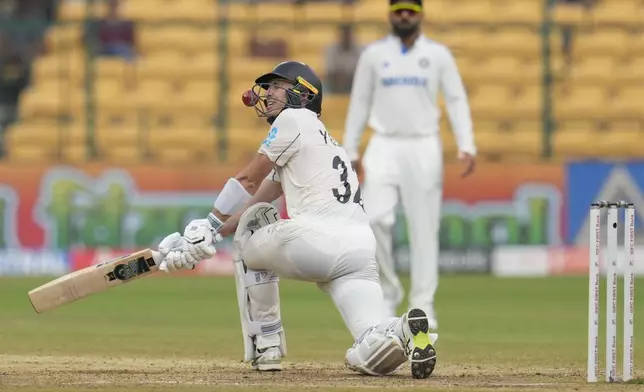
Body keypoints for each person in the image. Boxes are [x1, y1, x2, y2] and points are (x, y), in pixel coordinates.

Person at [154, 61, 438, 379]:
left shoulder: (293, 119)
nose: (269, 92)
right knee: (368, 346)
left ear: (303, 95)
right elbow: (260, 194)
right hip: (359, 250)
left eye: (278, 85)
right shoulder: (326, 141)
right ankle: (404, 330)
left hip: (315, 240)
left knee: (254, 227)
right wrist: (214, 232)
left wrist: (206, 225)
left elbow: (248, 179)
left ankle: (267, 344)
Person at [341, 0, 477, 328]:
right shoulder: (374, 55)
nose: (404, 16)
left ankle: (423, 306)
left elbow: (456, 98)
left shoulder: (438, 55)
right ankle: (387, 295)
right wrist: (351, 150)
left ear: (420, 15)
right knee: (375, 220)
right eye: (399, 11)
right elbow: (359, 101)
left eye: (411, 11)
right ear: (390, 14)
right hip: (383, 143)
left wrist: (466, 143)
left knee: (424, 227)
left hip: (423, 143)